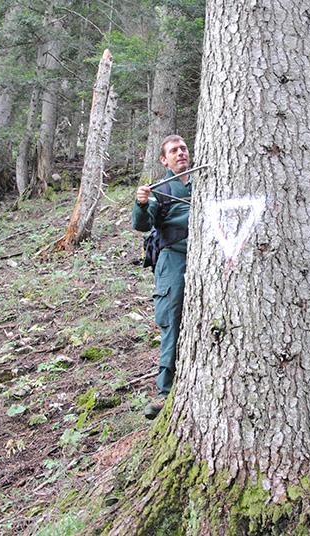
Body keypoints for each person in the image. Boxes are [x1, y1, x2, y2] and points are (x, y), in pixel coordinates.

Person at [133, 135, 191, 420]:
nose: (180, 154)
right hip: (173, 260)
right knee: (172, 320)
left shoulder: (202, 181)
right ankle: (166, 392)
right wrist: (141, 203)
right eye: (173, 151)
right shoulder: (162, 188)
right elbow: (142, 223)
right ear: (163, 160)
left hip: (209, 261)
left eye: (183, 149)